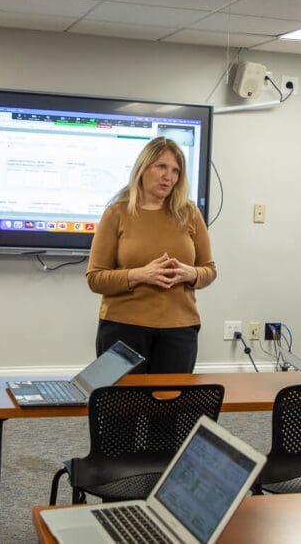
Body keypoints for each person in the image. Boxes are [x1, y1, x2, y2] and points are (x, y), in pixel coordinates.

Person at [87, 136, 216, 373]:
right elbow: (95, 279)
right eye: (162, 167)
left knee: (171, 407)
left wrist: (191, 274)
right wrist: (140, 275)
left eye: (176, 170)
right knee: (119, 406)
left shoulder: (190, 213)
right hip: (122, 329)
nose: (169, 176)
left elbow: (209, 270)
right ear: (143, 168)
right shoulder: (116, 213)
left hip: (179, 331)